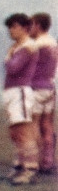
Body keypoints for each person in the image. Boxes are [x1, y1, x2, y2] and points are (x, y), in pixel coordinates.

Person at [3, 13, 40, 185]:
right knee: (15, 131)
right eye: (9, 27)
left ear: (25, 28)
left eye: (14, 26)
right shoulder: (18, 46)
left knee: (23, 131)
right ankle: (19, 164)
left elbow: (13, 68)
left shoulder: (28, 46)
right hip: (12, 91)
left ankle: (30, 168)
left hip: (20, 92)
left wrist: (9, 56)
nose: (11, 30)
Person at [29, 12, 56, 174]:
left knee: (33, 126)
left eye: (31, 25)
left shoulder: (37, 45)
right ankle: (48, 161)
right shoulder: (53, 43)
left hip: (36, 88)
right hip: (49, 87)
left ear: (38, 25)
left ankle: (35, 161)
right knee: (47, 126)